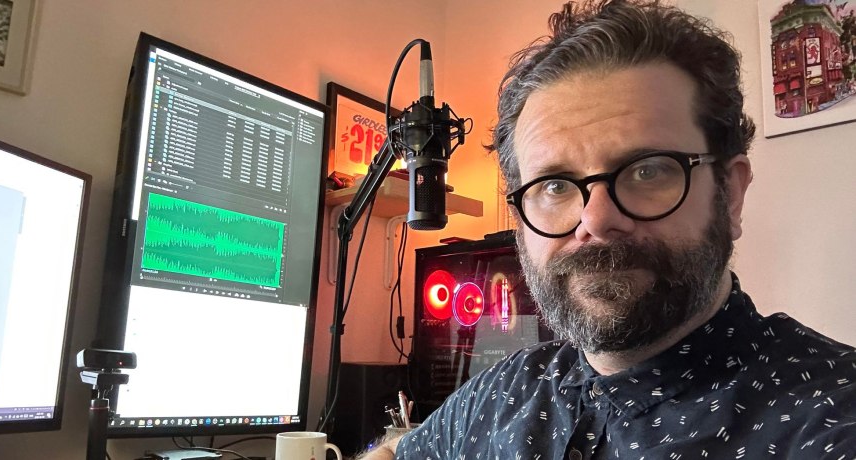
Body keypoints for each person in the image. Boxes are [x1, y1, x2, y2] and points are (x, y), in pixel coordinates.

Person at [359, 0, 856, 458]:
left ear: (731, 194)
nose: (594, 220)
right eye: (555, 185)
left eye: (647, 170)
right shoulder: (504, 390)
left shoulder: (829, 420)